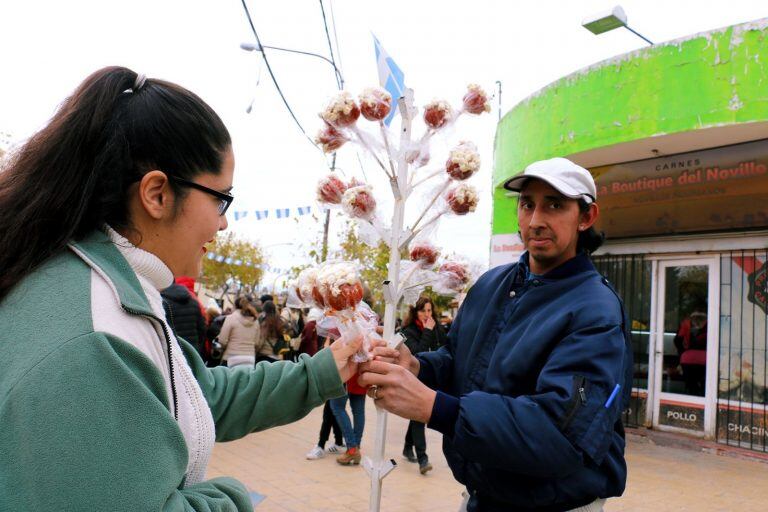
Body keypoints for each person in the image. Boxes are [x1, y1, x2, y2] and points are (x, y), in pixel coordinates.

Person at [0, 67, 362, 511]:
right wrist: (231, 496)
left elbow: (194, 398)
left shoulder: (113, 287)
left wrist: (323, 370)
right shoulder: (92, 338)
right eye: (221, 199)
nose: (224, 222)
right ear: (157, 194)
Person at [361, 157, 633, 511]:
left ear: (586, 217)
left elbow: (560, 434)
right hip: (481, 496)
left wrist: (436, 408)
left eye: (554, 205)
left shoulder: (596, 310)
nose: (536, 221)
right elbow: (459, 361)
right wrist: (418, 368)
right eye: (527, 204)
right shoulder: (492, 284)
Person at [399, 296, 446, 475]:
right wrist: (427, 331)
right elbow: (417, 353)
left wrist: (435, 330)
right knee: (419, 415)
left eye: (429, 310)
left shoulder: (435, 326)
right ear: (415, 312)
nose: (427, 314)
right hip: (414, 378)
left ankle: (407, 446)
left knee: (416, 416)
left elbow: (444, 344)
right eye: (423, 310)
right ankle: (423, 458)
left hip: (431, 378)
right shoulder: (408, 331)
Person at [161, 279, 208, 360]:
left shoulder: (163, 303)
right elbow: (202, 329)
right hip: (192, 350)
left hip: (172, 351)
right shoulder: (194, 303)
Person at [330, 372, 368, 465]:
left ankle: (352, 449)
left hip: (347, 373)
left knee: (337, 406)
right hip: (362, 373)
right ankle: (356, 448)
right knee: (358, 411)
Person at [218, 297, 261, 368]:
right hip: (250, 358)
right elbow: (256, 342)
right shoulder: (255, 321)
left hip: (231, 357)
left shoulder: (231, 318)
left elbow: (222, 340)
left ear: (235, 306)